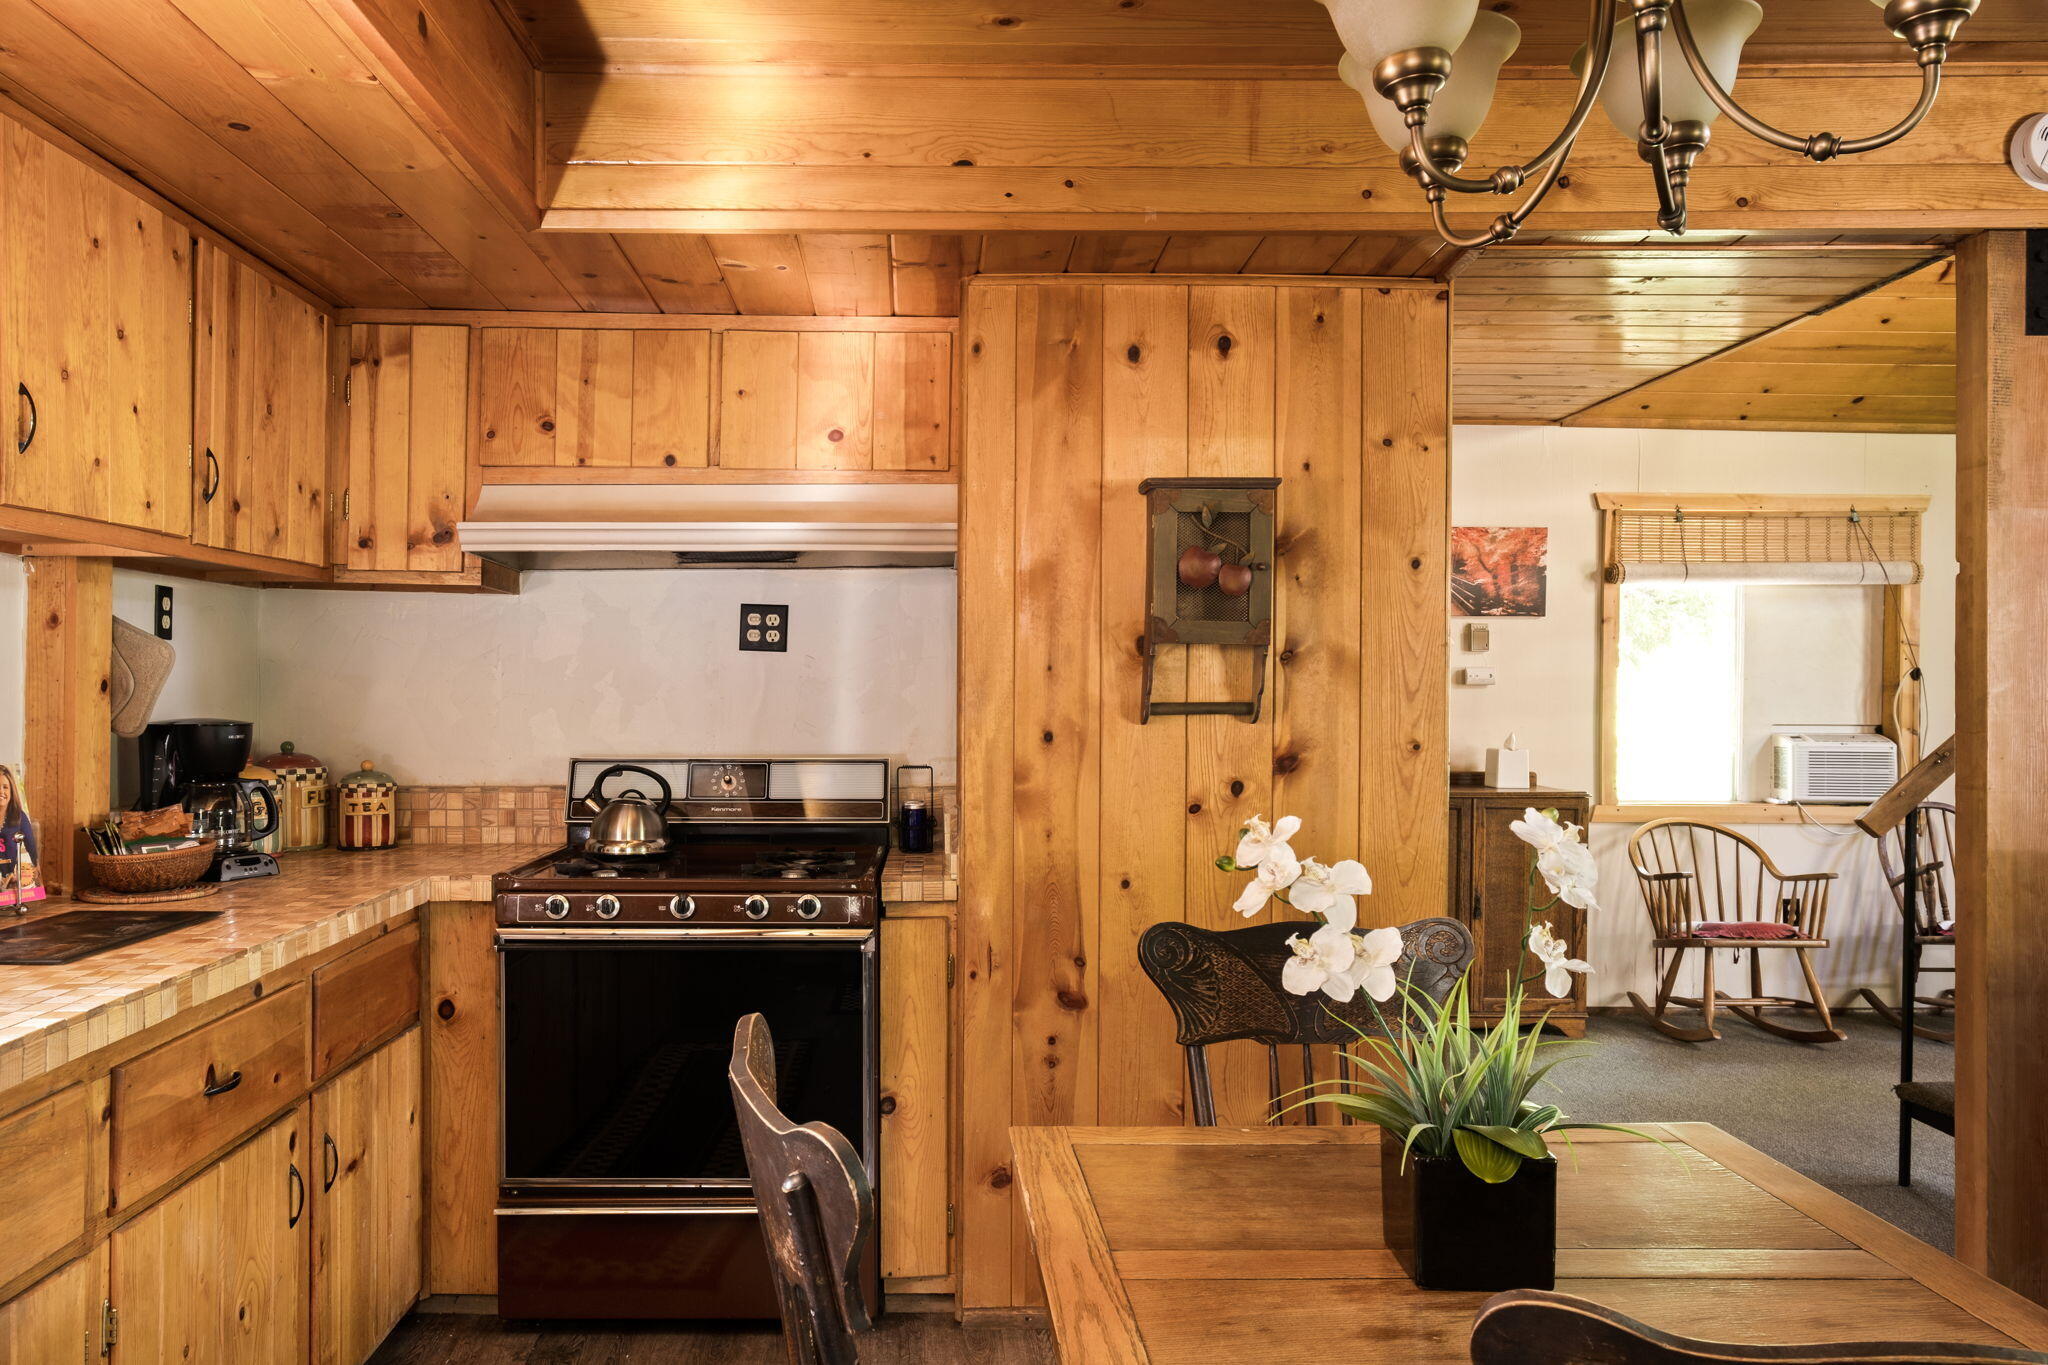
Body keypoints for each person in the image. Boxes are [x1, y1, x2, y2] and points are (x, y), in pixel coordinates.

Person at [0, 764, 43, 906]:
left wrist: (36, 867)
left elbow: (31, 844)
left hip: (13, 873)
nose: (1, 791)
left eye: (5, 787)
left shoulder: (19, 816)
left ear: (11, 790)